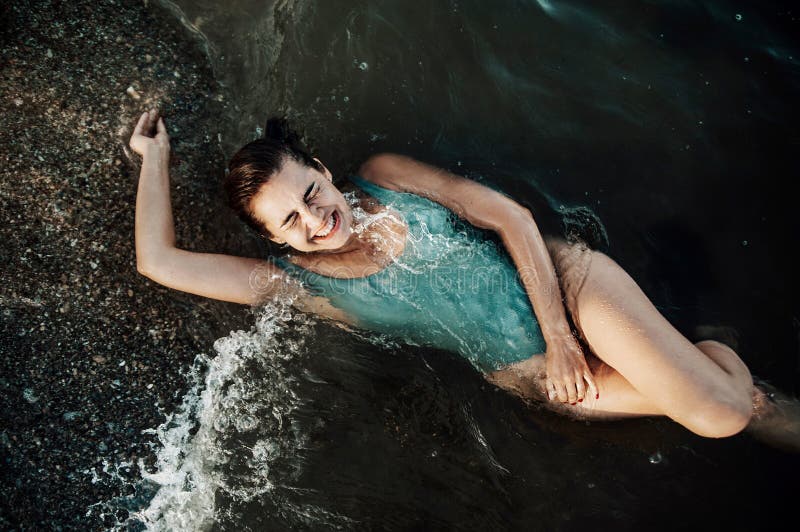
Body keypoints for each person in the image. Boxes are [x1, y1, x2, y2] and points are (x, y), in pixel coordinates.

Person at [130, 109, 799, 448]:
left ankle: (714, 356)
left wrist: (562, 335)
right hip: (549, 383)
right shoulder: (294, 284)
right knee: (745, 408)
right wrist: (154, 157)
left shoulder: (385, 175)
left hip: (568, 292)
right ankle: (710, 350)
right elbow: (158, 261)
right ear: (274, 240)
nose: (313, 218)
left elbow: (511, 215)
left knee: (720, 412)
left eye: (309, 192)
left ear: (323, 168)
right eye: (290, 221)